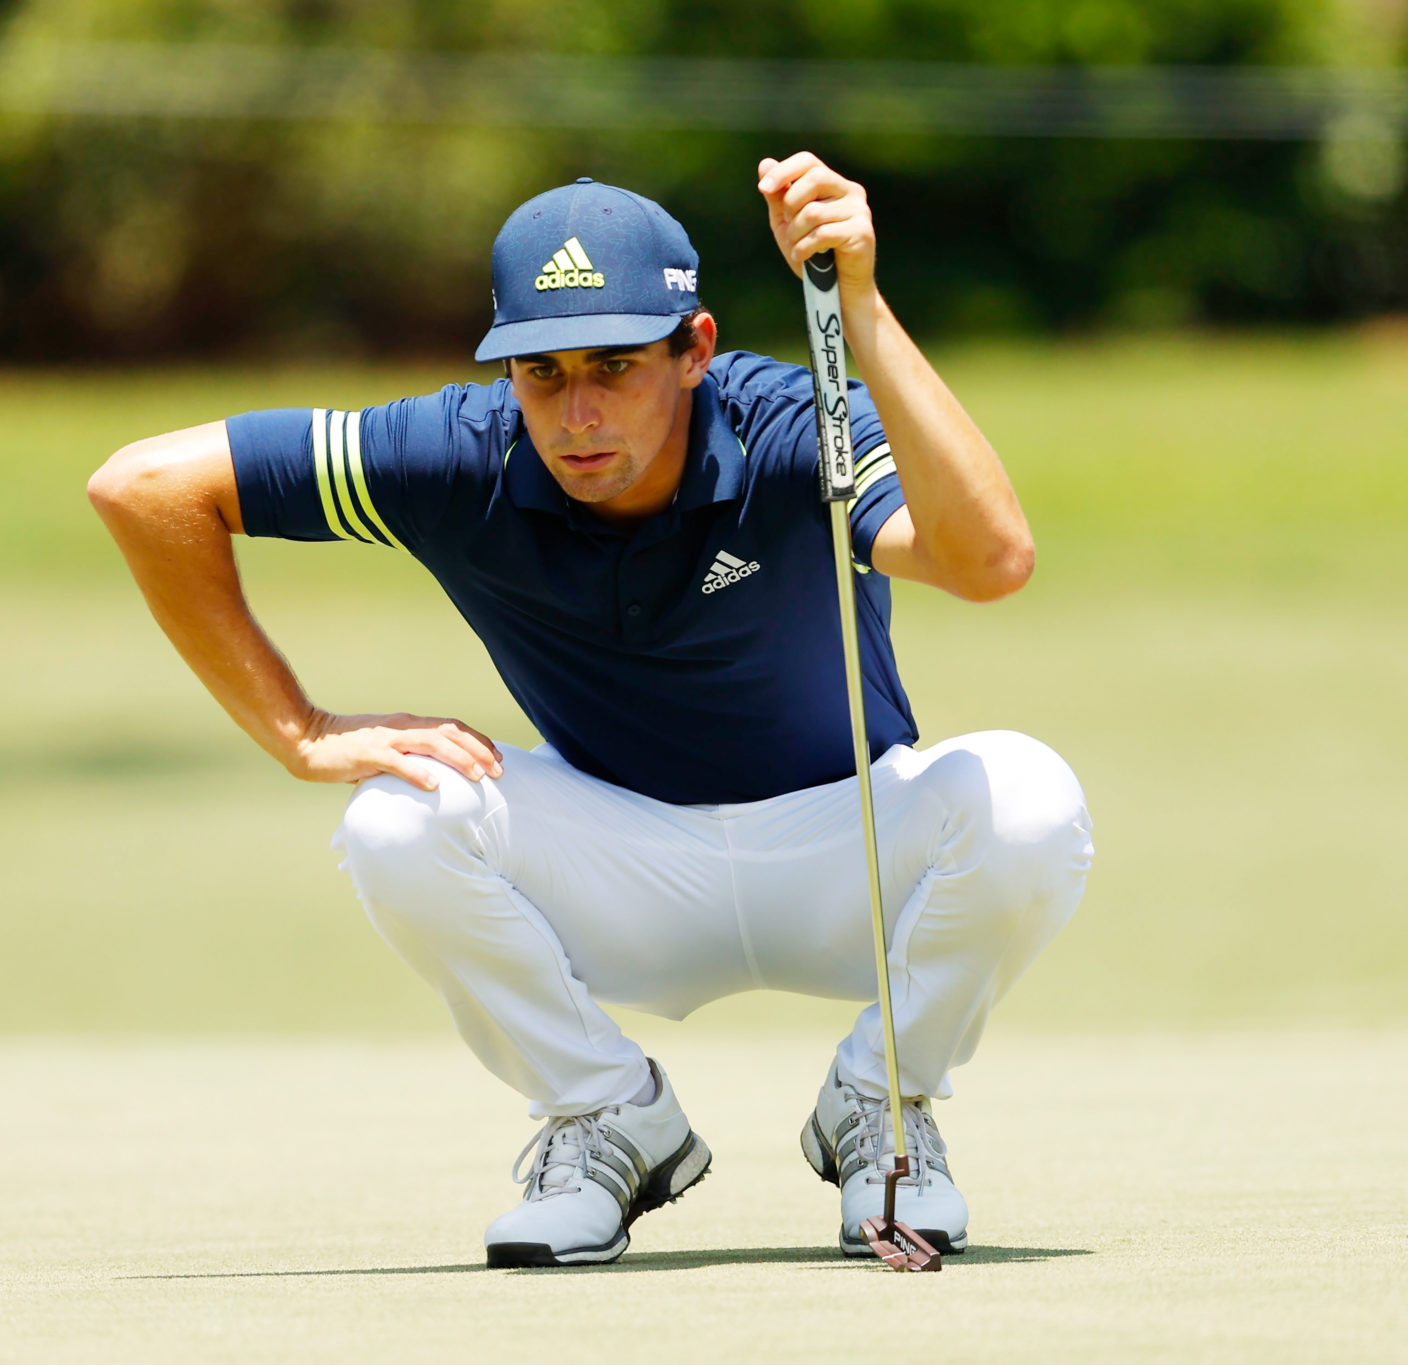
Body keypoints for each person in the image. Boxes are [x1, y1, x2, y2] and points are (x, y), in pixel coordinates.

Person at [87, 155, 1094, 1268]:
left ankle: (880, 1108)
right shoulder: (457, 456)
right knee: (396, 817)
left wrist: (855, 303)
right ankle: (608, 1118)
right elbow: (141, 488)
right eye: (540, 372)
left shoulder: (785, 423)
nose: (573, 415)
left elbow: (988, 559)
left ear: (693, 350)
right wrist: (298, 731)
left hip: (842, 848)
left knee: (1027, 798)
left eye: (613, 367)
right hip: (621, 871)